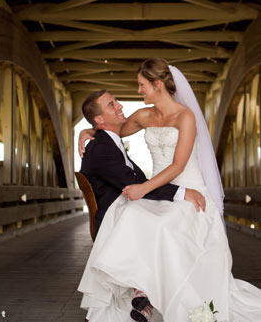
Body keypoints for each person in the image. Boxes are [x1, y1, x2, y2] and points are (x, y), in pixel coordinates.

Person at [77, 58, 261, 322]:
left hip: (186, 187)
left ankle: (153, 292)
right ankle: (145, 291)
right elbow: (112, 130)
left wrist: (145, 189)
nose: (139, 92)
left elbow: (179, 165)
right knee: (136, 215)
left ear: (157, 85)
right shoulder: (144, 117)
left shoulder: (185, 116)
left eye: (142, 86)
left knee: (161, 222)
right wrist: (87, 131)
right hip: (160, 192)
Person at [80, 89, 206, 236]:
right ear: (100, 120)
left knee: (177, 216)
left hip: (126, 206)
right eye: (111, 105)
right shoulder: (101, 148)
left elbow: (138, 182)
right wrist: (182, 192)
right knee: (175, 222)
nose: (119, 106)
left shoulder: (108, 143)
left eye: (116, 101)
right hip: (114, 217)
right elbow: (133, 183)